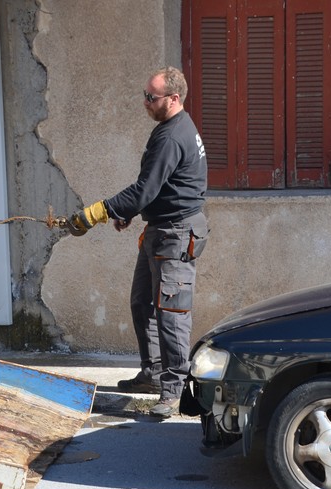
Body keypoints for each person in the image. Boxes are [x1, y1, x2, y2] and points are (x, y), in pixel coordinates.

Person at [64, 66, 208, 417]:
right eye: (145, 95)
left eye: (151, 97)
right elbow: (157, 187)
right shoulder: (168, 129)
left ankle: (173, 391)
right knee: (142, 303)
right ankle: (154, 374)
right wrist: (130, 211)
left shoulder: (173, 136)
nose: (145, 102)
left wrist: (99, 211)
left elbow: (145, 189)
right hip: (160, 229)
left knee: (172, 314)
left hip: (176, 235)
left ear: (173, 99)